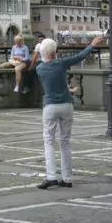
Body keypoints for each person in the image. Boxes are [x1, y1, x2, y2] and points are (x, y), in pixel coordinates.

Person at [34, 33, 104, 190]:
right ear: (54, 52)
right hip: (67, 105)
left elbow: (41, 60)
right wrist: (92, 44)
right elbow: (79, 56)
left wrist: (40, 50)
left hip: (50, 106)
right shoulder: (61, 64)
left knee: (49, 141)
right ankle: (67, 178)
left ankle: (51, 176)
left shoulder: (40, 68)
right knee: (65, 142)